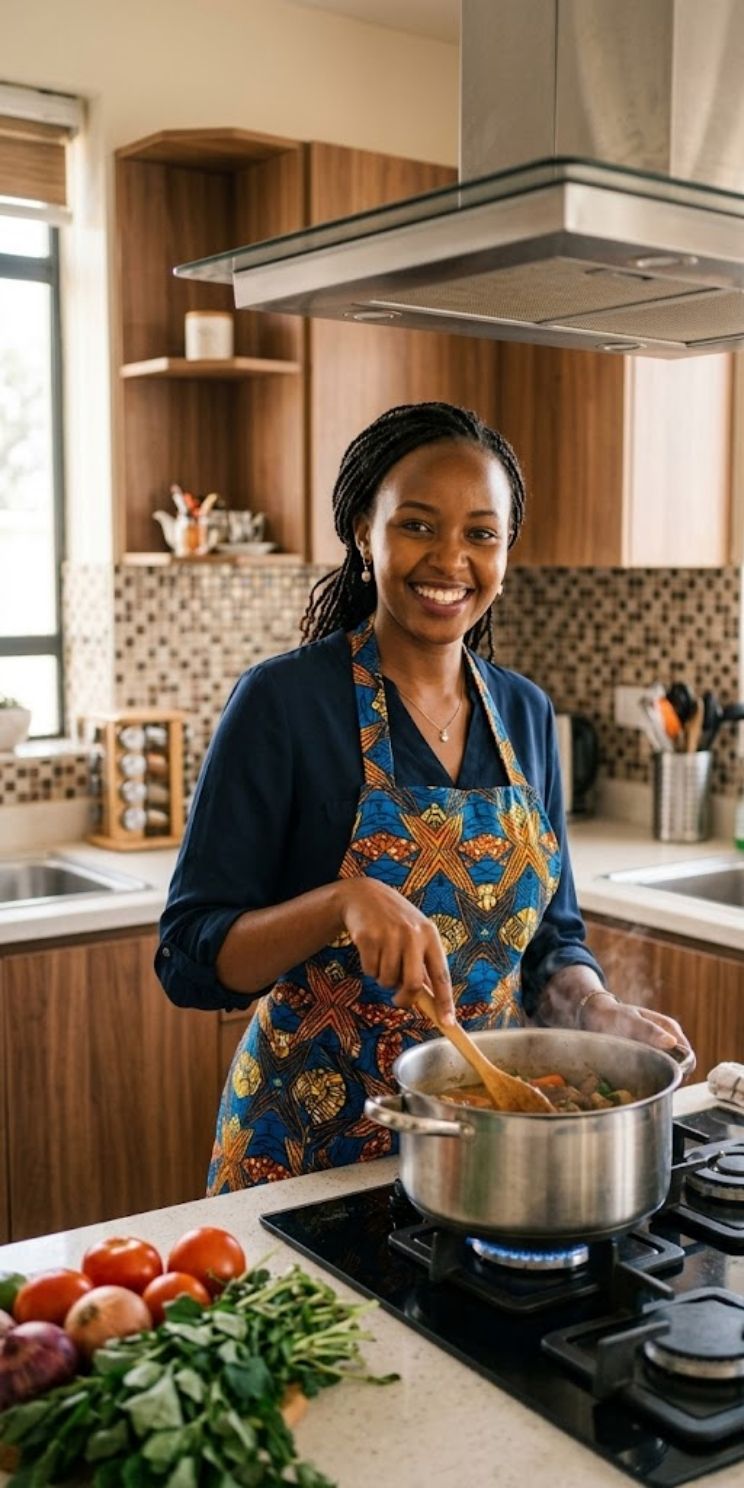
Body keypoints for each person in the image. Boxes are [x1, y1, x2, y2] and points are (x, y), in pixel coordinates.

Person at [156, 401, 693, 1192]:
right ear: (363, 536)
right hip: (306, 1152)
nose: (450, 559)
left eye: (481, 533)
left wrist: (593, 1008)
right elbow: (189, 956)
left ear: (507, 550)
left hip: (487, 1147)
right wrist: (341, 902)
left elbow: (551, 939)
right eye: (416, 525)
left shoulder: (526, 713)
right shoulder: (285, 703)